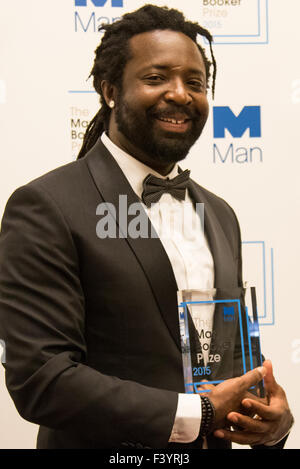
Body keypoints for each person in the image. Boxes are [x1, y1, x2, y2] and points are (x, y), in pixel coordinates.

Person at [0, 5, 293, 449]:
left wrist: (269, 420)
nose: (180, 94)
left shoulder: (220, 213)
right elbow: (42, 378)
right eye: (157, 78)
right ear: (110, 90)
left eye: (195, 83)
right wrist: (200, 413)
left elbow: (234, 358)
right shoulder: (48, 205)